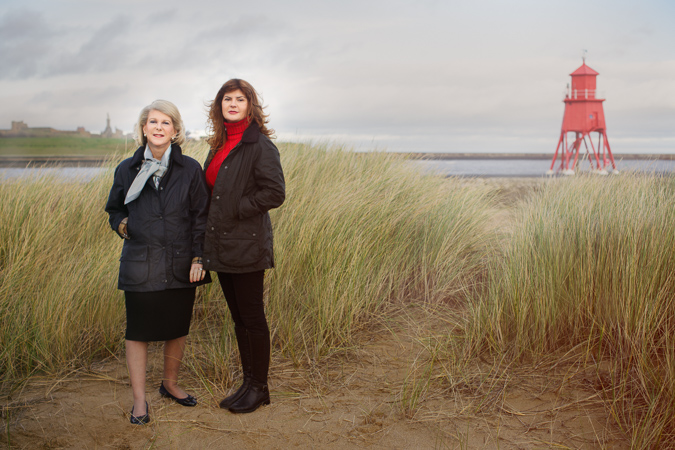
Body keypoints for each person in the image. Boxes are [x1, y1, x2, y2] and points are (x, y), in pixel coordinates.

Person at [105, 100, 211, 425]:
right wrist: (125, 226)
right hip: (140, 261)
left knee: (176, 328)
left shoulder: (191, 168)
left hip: (182, 262)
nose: (159, 127)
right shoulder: (126, 168)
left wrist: (199, 256)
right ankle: (140, 401)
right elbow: (114, 209)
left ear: (175, 130)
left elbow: (201, 216)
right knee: (138, 331)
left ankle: (170, 384)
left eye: (166, 122)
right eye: (153, 121)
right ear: (144, 128)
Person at [203, 79, 285, 414]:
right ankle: (248, 383)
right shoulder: (218, 144)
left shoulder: (260, 145)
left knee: (252, 317)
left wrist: (238, 206)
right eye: (227, 99)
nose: (233, 104)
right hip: (222, 245)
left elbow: (275, 193)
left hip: (247, 245)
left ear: (251, 105)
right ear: (219, 105)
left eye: (240, 99)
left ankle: (259, 387)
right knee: (238, 318)